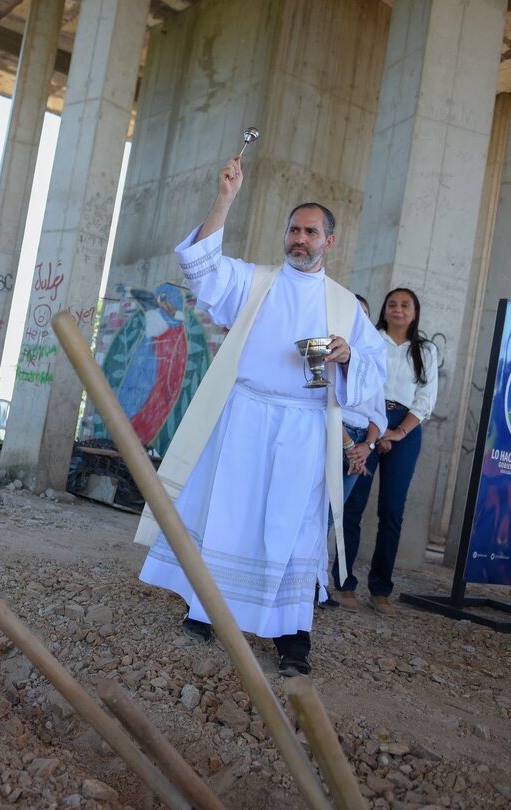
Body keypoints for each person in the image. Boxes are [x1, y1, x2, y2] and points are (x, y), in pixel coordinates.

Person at [134, 154, 386, 678]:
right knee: (230, 513)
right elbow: (202, 269)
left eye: (311, 232)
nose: (299, 238)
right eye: (294, 229)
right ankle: (207, 610)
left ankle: (294, 637)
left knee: (294, 529)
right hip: (245, 417)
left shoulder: (346, 306)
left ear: (329, 242)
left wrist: (347, 357)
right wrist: (224, 199)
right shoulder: (255, 281)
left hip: (303, 427)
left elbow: (376, 372)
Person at [334, 288, 438, 615]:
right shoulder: (370, 340)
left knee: (392, 510)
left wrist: (397, 432)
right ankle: (343, 583)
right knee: (353, 504)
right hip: (368, 423)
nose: (398, 309)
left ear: (415, 312)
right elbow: (365, 387)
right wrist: (377, 433)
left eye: (405, 305)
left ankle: (381, 590)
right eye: (392, 303)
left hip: (405, 428)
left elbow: (426, 399)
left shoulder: (427, 351)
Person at [320, 294, 386, 609]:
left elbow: (378, 415)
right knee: (314, 513)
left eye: (364, 314)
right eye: (352, 313)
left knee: (332, 516)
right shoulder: (325, 351)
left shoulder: (372, 361)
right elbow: (324, 403)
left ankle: (316, 586)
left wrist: (366, 448)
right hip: (334, 433)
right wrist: (349, 447)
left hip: (360, 443)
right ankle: (303, 586)